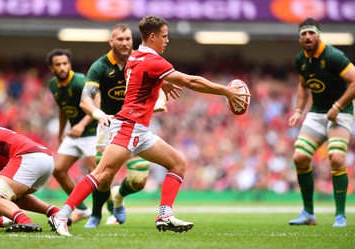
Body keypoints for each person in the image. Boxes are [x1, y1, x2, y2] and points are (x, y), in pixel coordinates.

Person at [48, 14, 248, 236]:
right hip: (129, 126)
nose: (167, 40)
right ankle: (62, 215)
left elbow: (144, 80)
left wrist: (163, 83)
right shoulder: (153, 61)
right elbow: (190, 81)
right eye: (164, 36)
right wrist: (226, 91)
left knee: (177, 163)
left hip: (138, 129)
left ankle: (164, 215)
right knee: (102, 174)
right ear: (152, 37)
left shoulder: (134, 58)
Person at [79, 23, 169, 228]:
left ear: (133, 40)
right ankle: (95, 215)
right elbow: (85, 99)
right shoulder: (100, 66)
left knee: (139, 180)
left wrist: (161, 100)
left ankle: (118, 195)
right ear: (111, 42)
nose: (125, 43)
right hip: (110, 124)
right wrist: (98, 113)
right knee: (103, 177)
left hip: (136, 124)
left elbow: (160, 82)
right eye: (120, 39)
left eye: (128, 39)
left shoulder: (140, 59)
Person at [288, 17, 355, 227]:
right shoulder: (301, 60)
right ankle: (308, 213)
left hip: (341, 111)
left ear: (319, 35)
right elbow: (303, 85)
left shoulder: (334, 56)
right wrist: (299, 110)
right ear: (299, 38)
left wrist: (337, 106)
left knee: (336, 158)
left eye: (311, 33)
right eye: (304, 34)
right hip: (317, 112)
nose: (308, 37)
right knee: (299, 157)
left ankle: (340, 216)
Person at [47, 48, 98, 223]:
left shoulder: (79, 81)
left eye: (64, 64)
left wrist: (81, 124)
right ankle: (83, 209)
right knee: (58, 170)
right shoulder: (53, 84)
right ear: (52, 68)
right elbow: (63, 109)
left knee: (97, 173)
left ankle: (106, 211)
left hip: (92, 131)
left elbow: (96, 104)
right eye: (58, 65)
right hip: (74, 133)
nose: (62, 67)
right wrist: (61, 133)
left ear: (69, 65)